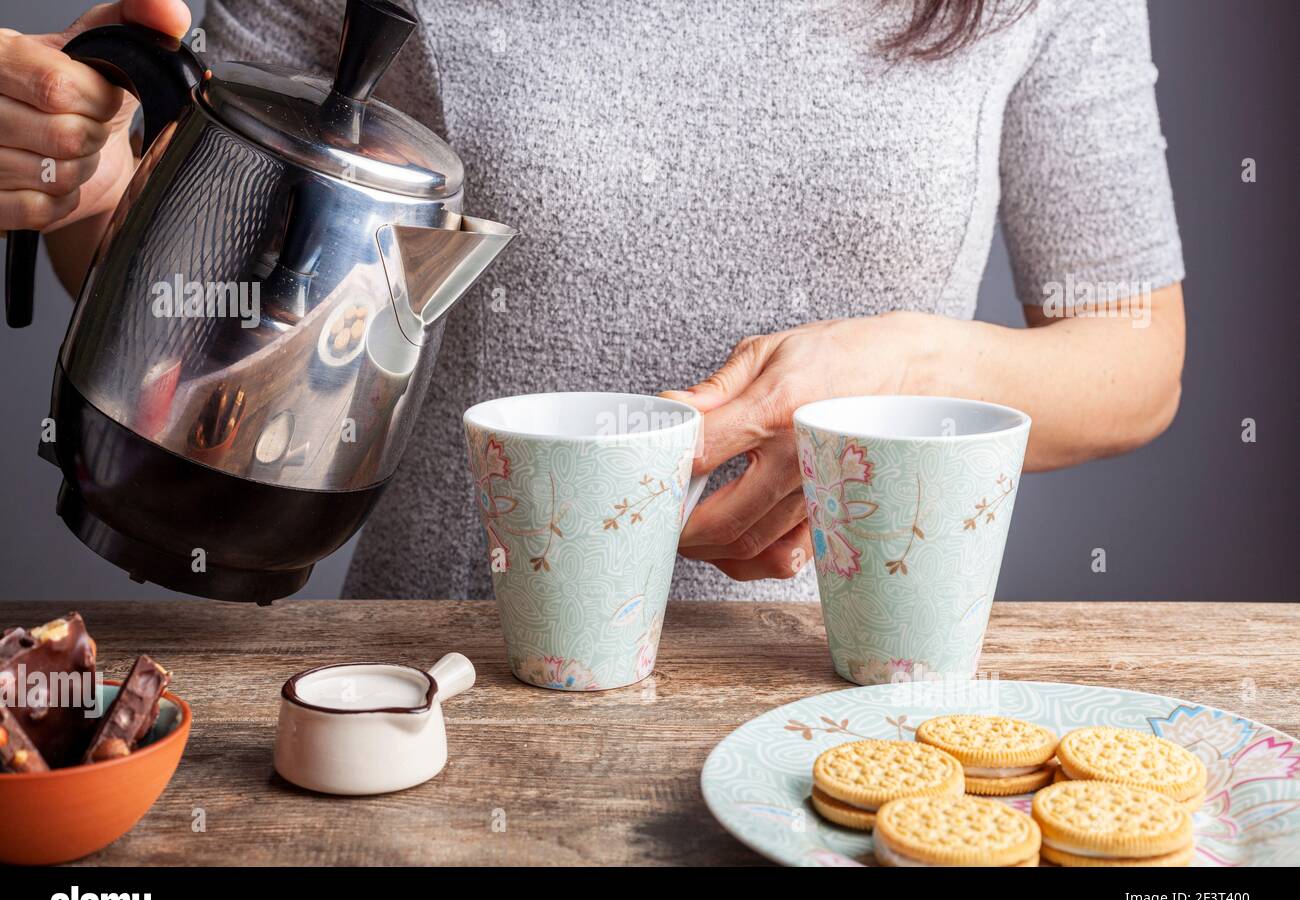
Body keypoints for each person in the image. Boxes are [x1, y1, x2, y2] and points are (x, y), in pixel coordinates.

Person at [0, 0, 1185, 600]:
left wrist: (920, 369)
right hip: (446, 685)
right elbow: (192, 254)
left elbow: (1134, 356)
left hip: (858, 700)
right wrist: (97, 180)